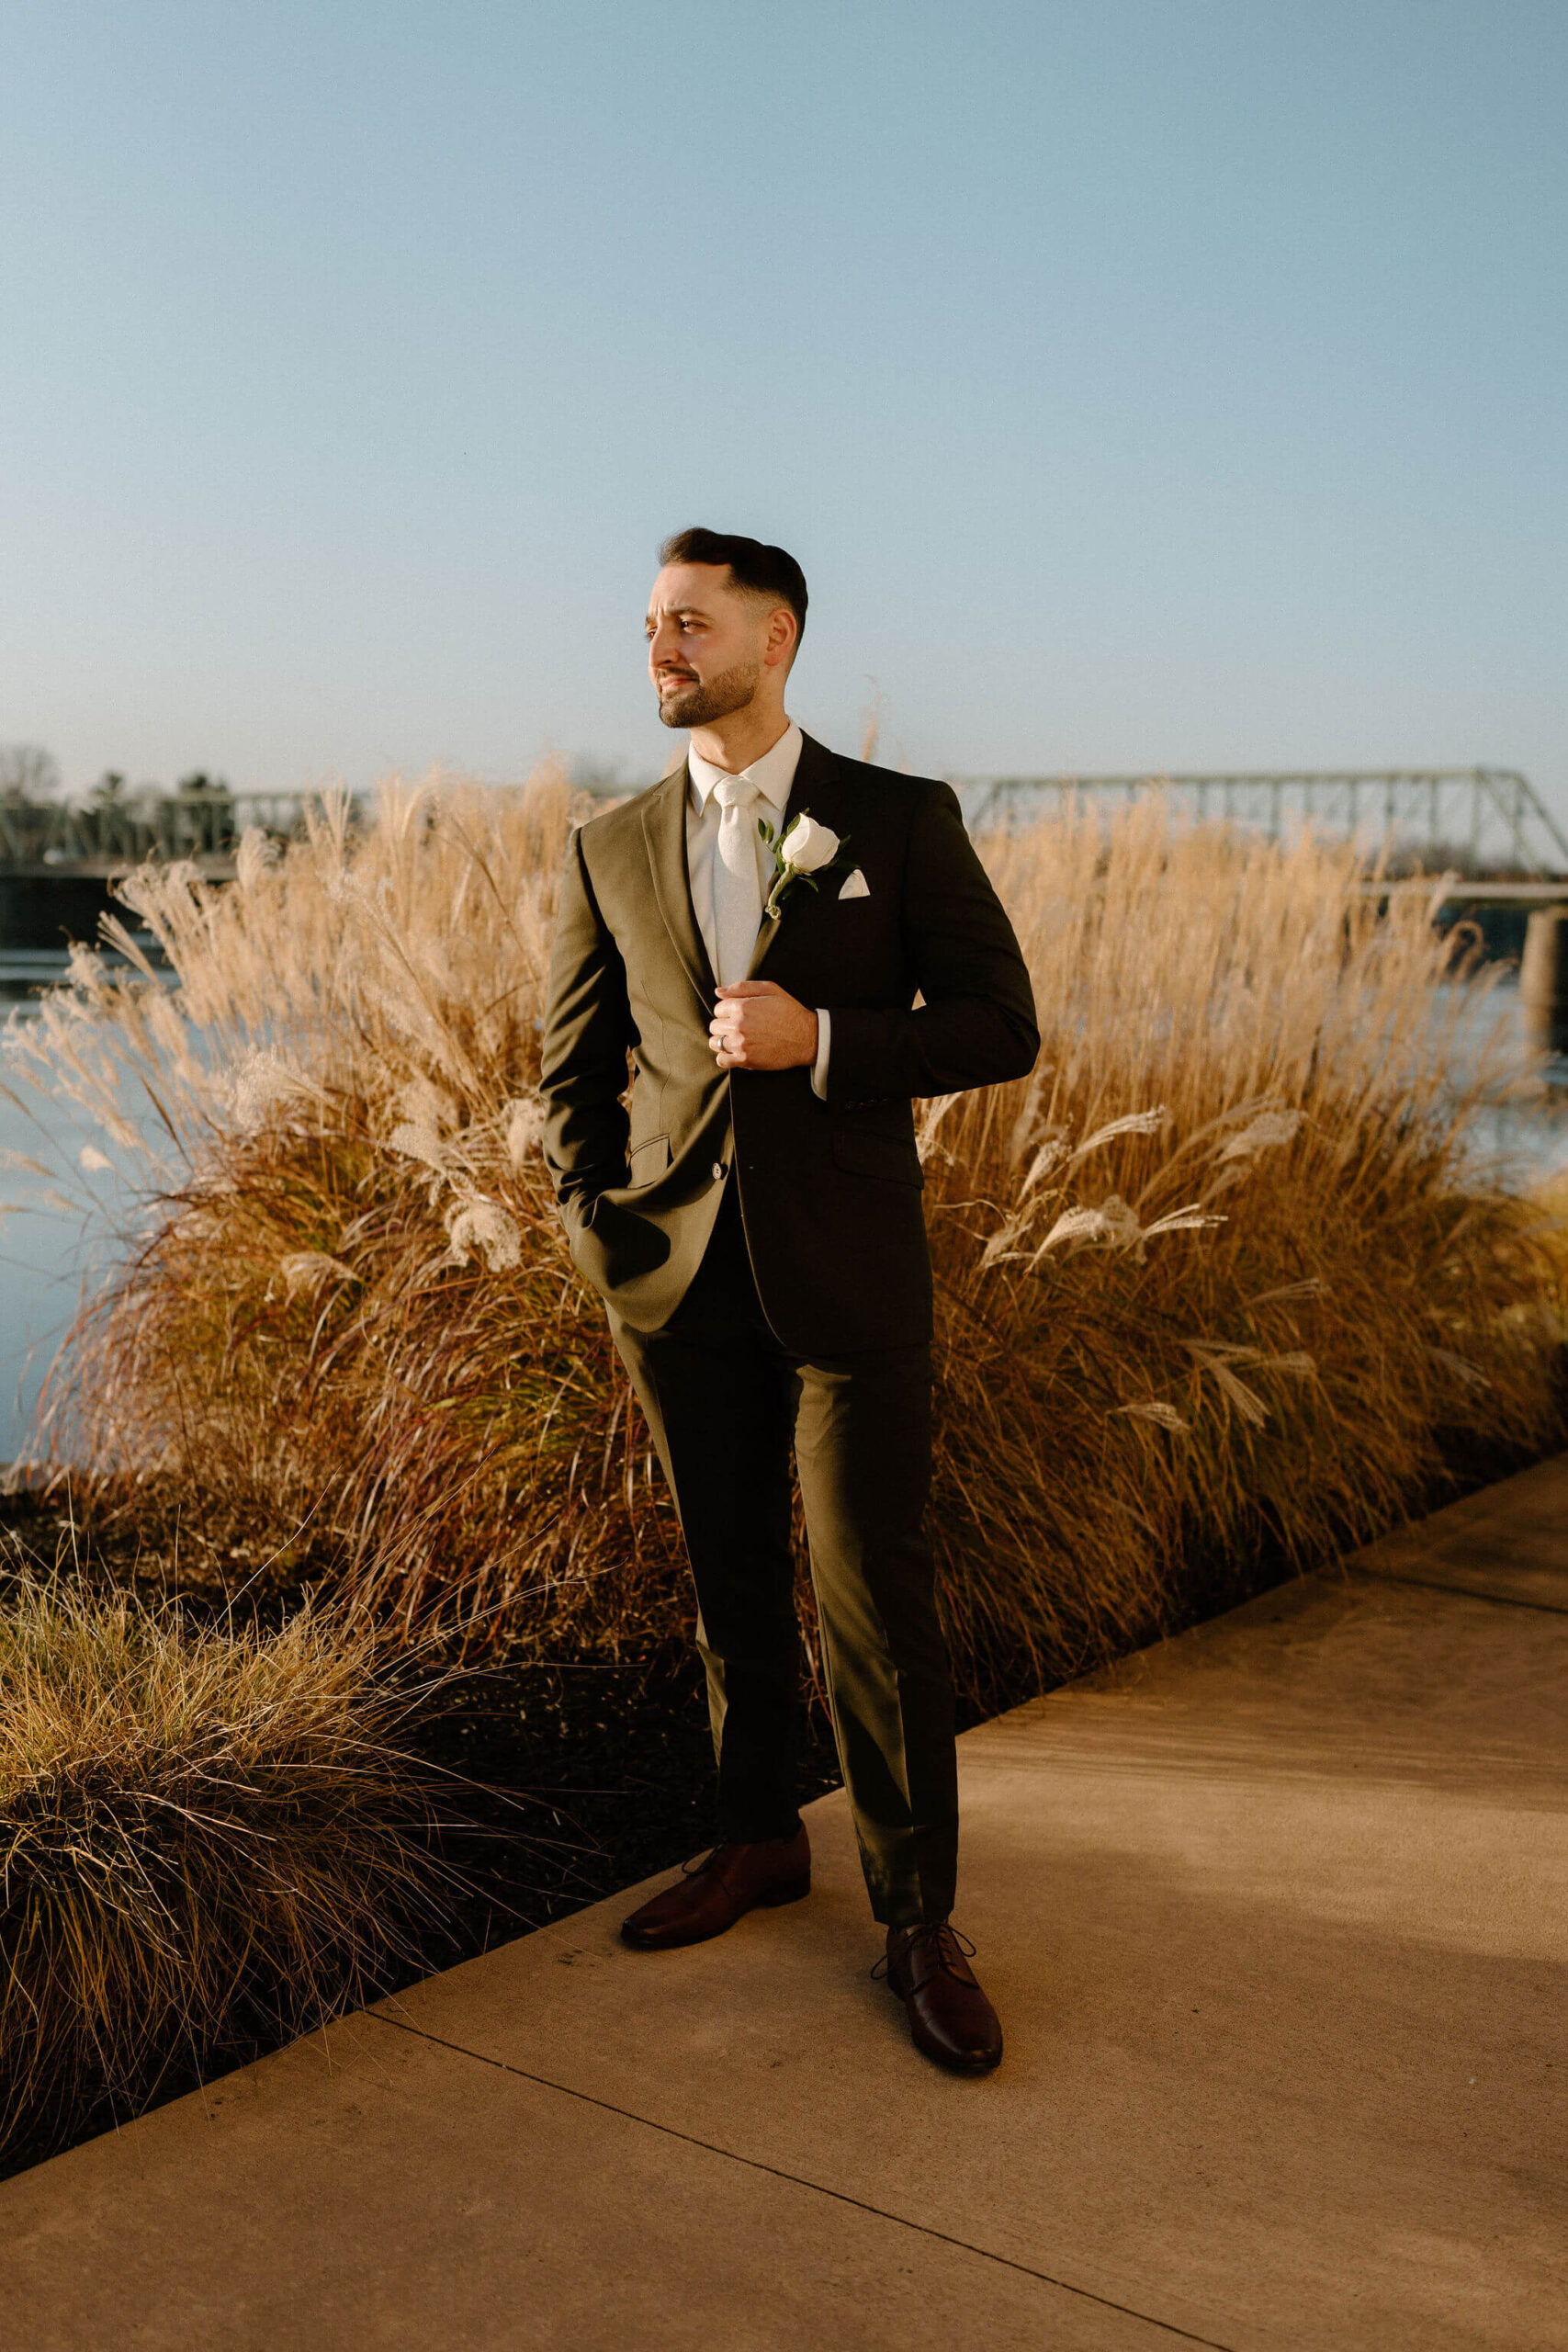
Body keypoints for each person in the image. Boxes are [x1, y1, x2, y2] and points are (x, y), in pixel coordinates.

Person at [539, 527, 1039, 2073]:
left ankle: (915, 1918)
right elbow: (573, 1066)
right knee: (726, 1579)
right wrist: (592, 1226)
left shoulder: (897, 817)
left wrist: (825, 1036)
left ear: (781, 636)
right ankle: (758, 1838)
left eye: (689, 622)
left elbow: (999, 1025)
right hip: (675, 1280)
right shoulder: (610, 841)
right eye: (647, 625)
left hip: (849, 1269)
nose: (659, 649)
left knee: (875, 1598)